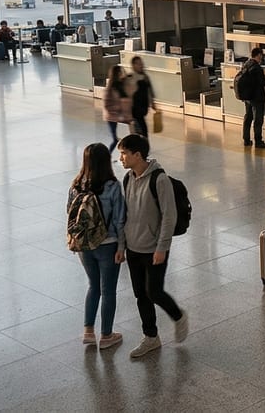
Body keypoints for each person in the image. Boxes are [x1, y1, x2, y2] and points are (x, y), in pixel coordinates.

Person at [117, 134, 188, 359]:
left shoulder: (159, 179)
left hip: (154, 248)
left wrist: (162, 247)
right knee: (140, 294)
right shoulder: (128, 179)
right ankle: (151, 337)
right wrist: (121, 245)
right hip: (133, 247)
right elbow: (124, 215)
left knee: (154, 291)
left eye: (124, 154)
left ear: (138, 155)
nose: (121, 158)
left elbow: (169, 216)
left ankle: (178, 316)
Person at [68, 143, 126, 349]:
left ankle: (88, 331)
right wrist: (121, 247)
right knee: (108, 290)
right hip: (108, 244)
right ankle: (107, 335)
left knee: (93, 286)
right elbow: (120, 219)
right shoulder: (112, 185)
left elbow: (70, 213)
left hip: (84, 245)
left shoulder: (76, 185)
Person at [239, 47, 265, 148]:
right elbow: (262, 82)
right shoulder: (257, 67)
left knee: (248, 117)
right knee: (258, 120)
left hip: (248, 97)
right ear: (258, 55)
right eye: (261, 55)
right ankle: (258, 141)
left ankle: (246, 139)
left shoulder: (246, 65)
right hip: (257, 97)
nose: (261, 57)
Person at [103, 64, 133, 148]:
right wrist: (119, 108)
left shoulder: (121, 84)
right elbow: (106, 105)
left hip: (122, 117)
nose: (122, 74)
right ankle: (108, 156)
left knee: (124, 139)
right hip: (112, 117)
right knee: (116, 140)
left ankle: (123, 157)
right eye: (120, 72)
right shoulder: (110, 88)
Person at [126, 56, 156, 137]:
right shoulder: (130, 77)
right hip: (134, 109)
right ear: (133, 65)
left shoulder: (145, 77)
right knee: (141, 129)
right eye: (138, 64)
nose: (141, 65)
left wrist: (152, 103)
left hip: (143, 107)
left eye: (141, 63)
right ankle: (141, 145)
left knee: (141, 128)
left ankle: (139, 143)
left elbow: (149, 90)